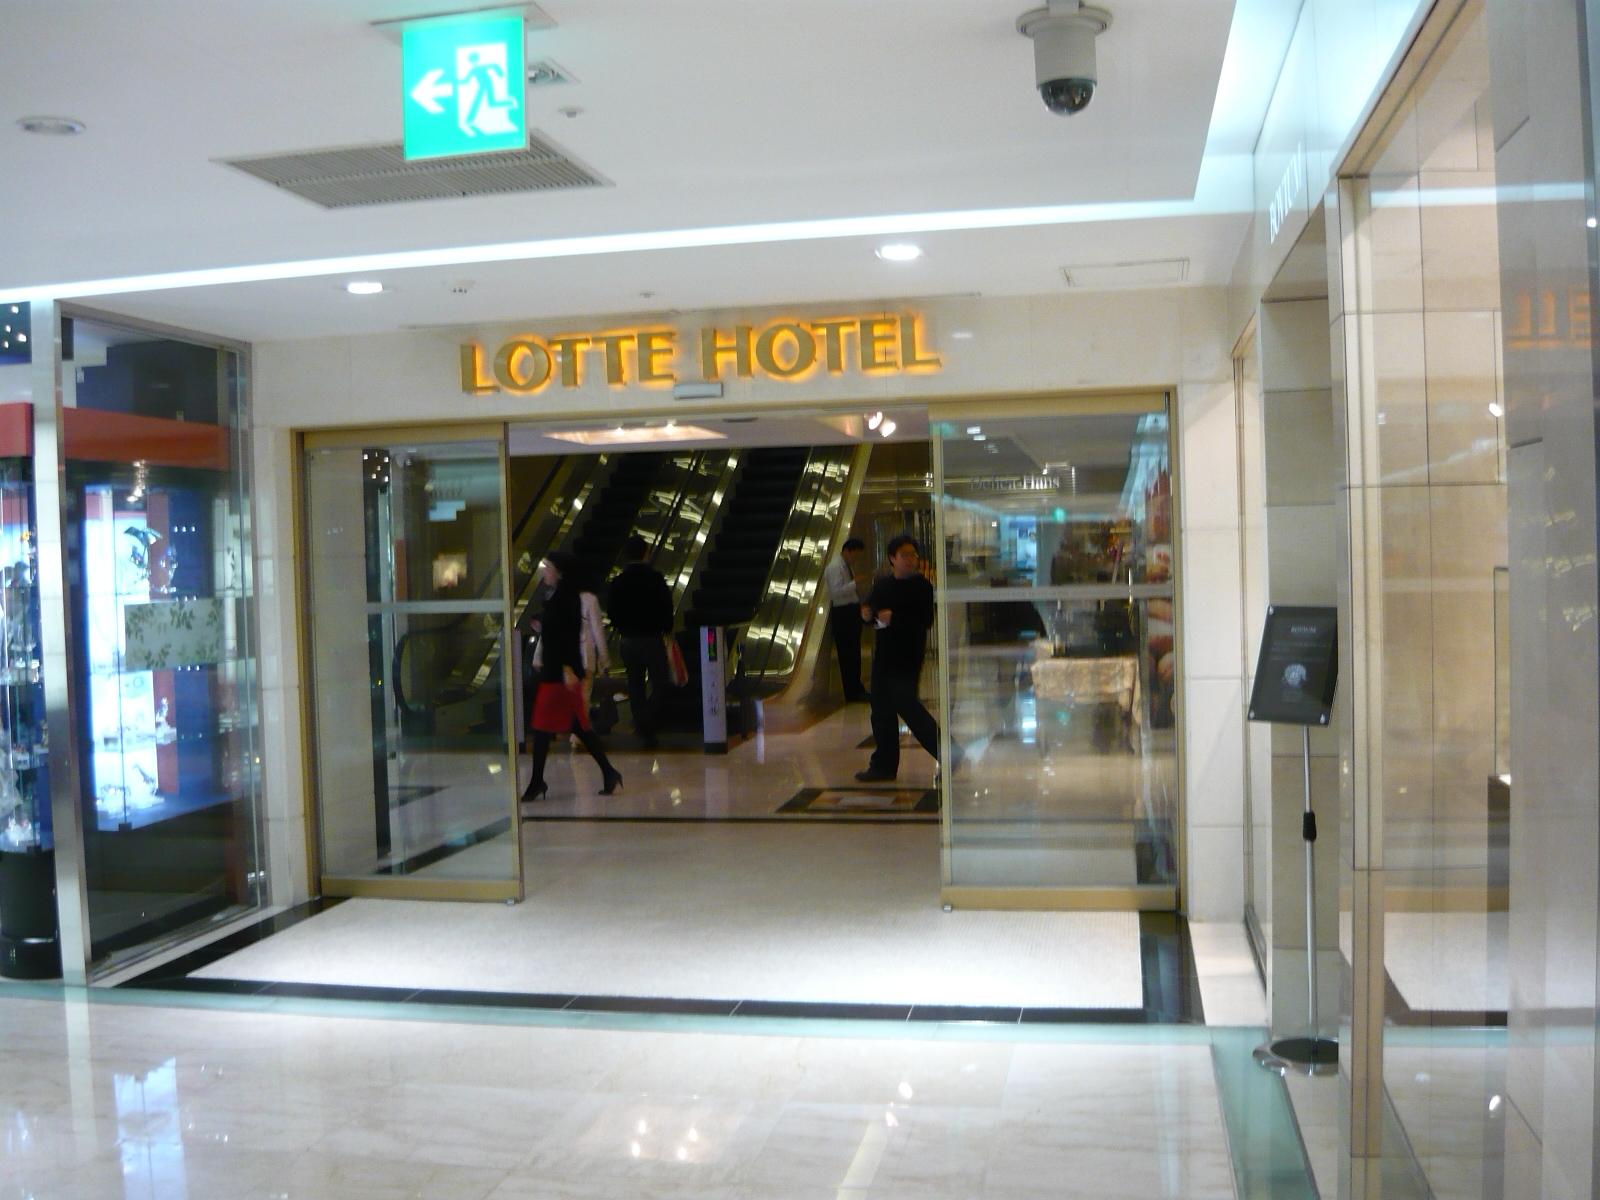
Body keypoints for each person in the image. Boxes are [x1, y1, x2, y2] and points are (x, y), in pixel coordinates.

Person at [522, 553, 623, 804]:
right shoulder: (559, 596)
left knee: (544, 727)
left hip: (560, 674)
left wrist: (569, 668)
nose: (544, 572)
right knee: (577, 725)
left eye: (547, 568)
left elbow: (568, 636)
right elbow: (556, 633)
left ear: (559, 572)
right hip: (557, 671)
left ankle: (537, 781)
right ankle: (608, 772)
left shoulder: (567, 598)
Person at [855, 534, 947, 782]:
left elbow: (924, 621)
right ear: (892, 558)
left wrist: (894, 618)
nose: (910, 559)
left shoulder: (922, 587)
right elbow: (871, 611)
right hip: (884, 656)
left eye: (913, 555)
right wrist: (867, 615)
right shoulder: (883, 585)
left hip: (907, 656)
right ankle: (883, 765)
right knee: (881, 711)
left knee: (908, 707)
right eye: (904, 555)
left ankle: (949, 753)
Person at [606, 534, 674, 748]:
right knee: (661, 682)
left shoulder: (618, 582)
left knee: (635, 684)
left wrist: (622, 626)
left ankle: (642, 725)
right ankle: (646, 722)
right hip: (652, 639)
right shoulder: (655, 579)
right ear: (646, 553)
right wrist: (666, 629)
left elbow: (612, 612)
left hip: (628, 640)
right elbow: (666, 607)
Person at [824, 536, 870, 702]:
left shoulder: (846, 566)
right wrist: (854, 583)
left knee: (854, 652)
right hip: (843, 613)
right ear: (847, 551)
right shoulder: (835, 567)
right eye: (855, 555)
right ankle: (852, 691)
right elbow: (835, 592)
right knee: (847, 654)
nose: (855, 559)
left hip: (851, 611)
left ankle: (857, 687)